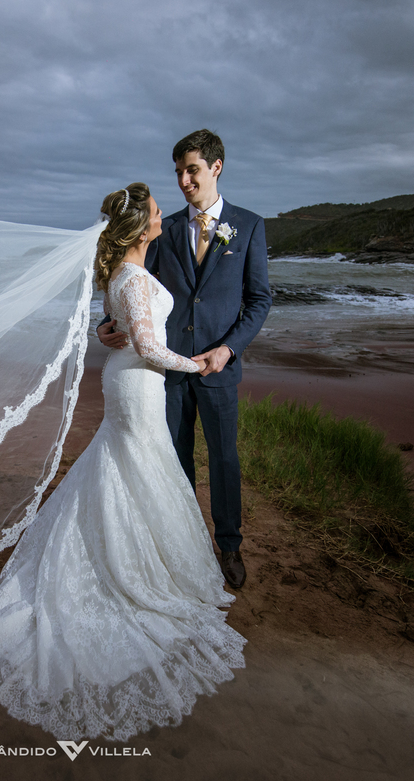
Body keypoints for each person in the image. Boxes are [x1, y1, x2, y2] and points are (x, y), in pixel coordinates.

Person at [0, 183, 246, 742]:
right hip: (139, 383)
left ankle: (134, 550)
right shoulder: (133, 277)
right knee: (139, 465)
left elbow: (121, 325)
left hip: (132, 383)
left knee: (128, 466)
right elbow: (146, 345)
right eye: (157, 212)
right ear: (141, 228)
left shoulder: (123, 272)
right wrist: (198, 365)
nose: (164, 215)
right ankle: (132, 570)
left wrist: (113, 329)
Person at [98, 130, 272, 589]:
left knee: (224, 459)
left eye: (192, 170)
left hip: (219, 368)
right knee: (174, 459)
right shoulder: (165, 228)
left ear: (216, 167)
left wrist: (227, 349)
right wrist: (105, 325)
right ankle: (186, 543)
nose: (183, 181)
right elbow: (130, 279)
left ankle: (229, 545)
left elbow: (259, 300)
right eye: (178, 172)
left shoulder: (249, 226)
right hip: (164, 372)